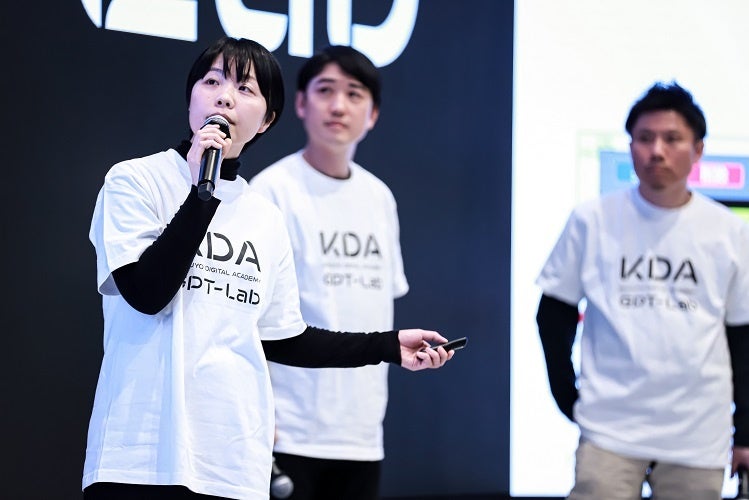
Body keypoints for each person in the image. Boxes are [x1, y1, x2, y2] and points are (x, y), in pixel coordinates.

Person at [82, 36, 453, 500]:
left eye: (245, 89)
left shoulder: (263, 215)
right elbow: (146, 293)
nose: (224, 97)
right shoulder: (135, 180)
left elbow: (284, 337)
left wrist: (388, 345)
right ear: (191, 97)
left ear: (267, 119)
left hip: (232, 465)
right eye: (212, 81)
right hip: (138, 460)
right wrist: (202, 191)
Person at [535, 81, 749, 500]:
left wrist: (745, 432)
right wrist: (568, 397)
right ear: (630, 145)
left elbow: (743, 336)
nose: (657, 151)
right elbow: (553, 314)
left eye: (672, 139)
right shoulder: (592, 220)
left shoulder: (728, 231)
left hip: (698, 434)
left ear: (698, 149)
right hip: (610, 431)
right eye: (645, 138)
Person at [248, 45, 404, 500]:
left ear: (373, 114)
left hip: (361, 433)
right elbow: (249, 315)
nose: (338, 106)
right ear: (300, 103)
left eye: (354, 94)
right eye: (325, 91)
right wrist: (261, 414)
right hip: (287, 431)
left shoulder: (380, 198)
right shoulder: (272, 191)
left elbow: (381, 303)